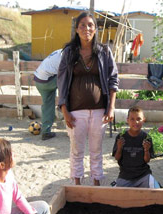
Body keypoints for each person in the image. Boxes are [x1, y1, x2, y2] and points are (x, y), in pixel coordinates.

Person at [57, 12, 119, 186]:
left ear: (96, 29)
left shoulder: (104, 51)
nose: (87, 28)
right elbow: (61, 81)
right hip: (76, 111)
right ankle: (77, 185)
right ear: (76, 29)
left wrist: (111, 107)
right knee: (76, 150)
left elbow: (113, 79)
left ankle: (96, 185)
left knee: (96, 150)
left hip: (100, 110)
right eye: (82, 25)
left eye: (90, 25)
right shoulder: (69, 53)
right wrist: (64, 110)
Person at [0, 139, 50, 214]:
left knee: (43, 207)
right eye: (11, 154)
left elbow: (18, 197)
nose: (15, 155)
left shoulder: (8, 173)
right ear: (2, 165)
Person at [112, 106, 160, 188]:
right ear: (127, 120)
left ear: (143, 120)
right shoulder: (121, 137)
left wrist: (146, 150)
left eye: (138, 119)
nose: (136, 122)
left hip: (143, 175)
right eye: (132, 119)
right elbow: (117, 158)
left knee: (156, 192)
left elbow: (147, 160)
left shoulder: (146, 137)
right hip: (125, 176)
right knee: (116, 196)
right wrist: (119, 147)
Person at [34, 49, 62, 141]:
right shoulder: (67, 56)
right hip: (48, 80)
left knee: (48, 105)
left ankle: (46, 131)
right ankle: (62, 108)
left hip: (38, 79)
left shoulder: (59, 52)